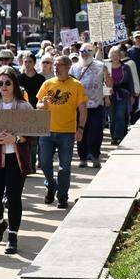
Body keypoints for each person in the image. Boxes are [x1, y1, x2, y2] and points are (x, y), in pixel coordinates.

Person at [0, 67, 33, 254]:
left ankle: (12, 235)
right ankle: (0, 223)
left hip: (17, 159)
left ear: (14, 85)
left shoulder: (24, 106)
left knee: (13, 197)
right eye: (0, 83)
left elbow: (33, 133)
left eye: (7, 83)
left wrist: (16, 139)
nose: (3, 86)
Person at [36, 55, 88, 209]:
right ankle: (51, 185)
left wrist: (80, 128)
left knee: (64, 167)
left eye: (59, 65)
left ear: (68, 67)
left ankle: (62, 197)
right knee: (45, 163)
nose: (56, 68)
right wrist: (42, 105)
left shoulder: (77, 86)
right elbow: (37, 104)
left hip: (67, 133)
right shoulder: (47, 83)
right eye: (55, 65)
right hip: (46, 132)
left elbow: (83, 109)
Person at [71, 43, 112, 168]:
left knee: (96, 132)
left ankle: (95, 155)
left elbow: (108, 84)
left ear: (92, 52)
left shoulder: (101, 66)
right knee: (81, 132)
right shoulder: (74, 67)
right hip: (80, 106)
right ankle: (82, 158)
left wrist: (107, 96)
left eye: (88, 51)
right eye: (82, 51)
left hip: (96, 105)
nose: (85, 53)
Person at [107, 45, 138, 144]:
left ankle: (118, 136)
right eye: (113, 54)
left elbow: (130, 82)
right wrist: (105, 96)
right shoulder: (106, 67)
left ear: (120, 56)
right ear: (110, 56)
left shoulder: (126, 67)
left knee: (120, 115)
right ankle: (113, 136)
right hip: (110, 94)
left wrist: (132, 95)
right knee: (112, 116)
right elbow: (103, 82)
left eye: (117, 54)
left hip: (123, 94)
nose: (115, 56)